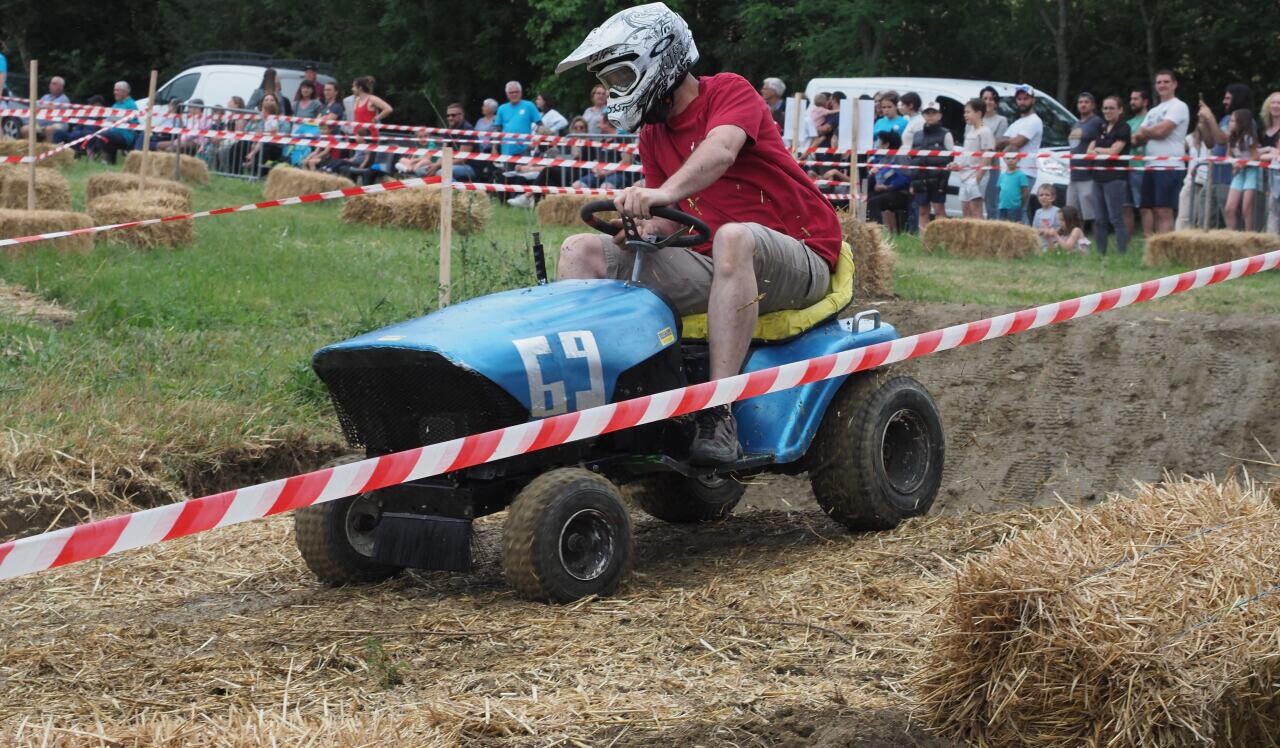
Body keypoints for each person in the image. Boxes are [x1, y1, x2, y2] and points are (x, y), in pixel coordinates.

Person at [555, 2, 841, 464]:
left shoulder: (729, 91)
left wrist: (661, 190)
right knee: (581, 250)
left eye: (621, 80)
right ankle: (592, 409)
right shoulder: (653, 134)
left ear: (658, 60)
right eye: (609, 85)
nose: (614, 93)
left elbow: (721, 150)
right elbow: (670, 220)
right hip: (718, 262)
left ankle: (718, 410)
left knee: (733, 236)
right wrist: (642, 226)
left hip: (802, 252)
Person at [1132, 70, 1189, 235]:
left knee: (1164, 210)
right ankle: (1155, 249)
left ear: (1174, 84)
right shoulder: (1153, 111)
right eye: (1159, 82)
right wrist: (1149, 132)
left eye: (1166, 81)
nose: (1162, 85)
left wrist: (1146, 131)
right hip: (1150, 165)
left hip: (1169, 165)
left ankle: (1166, 250)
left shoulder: (1179, 106)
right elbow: (1138, 139)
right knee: (1151, 209)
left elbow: (1162, 131)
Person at [1196, 83, 1252, 227]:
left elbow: (1222, 139)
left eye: (1228, 98)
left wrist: (1210, 117)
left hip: (1229, 179)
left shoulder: (1245, 120)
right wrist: (1203, 124)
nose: (1224, 102)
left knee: (1230, 221)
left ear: (1237, 98)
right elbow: (1211, 143)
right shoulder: (1225, 119)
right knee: (1204, 221)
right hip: (1214, 178)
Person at [996, 84, 1044, 223]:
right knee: (1007, 209)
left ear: (1033, 100)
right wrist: (1009, 142)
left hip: (1026, 171)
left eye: (1025, 98)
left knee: (1019, 209)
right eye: (1019, 99)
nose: (1022, 102)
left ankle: (1027, 242)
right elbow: (999, 145)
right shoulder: (1017, 122)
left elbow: (1018, 142)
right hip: (1010, 171)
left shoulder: (1035, 120)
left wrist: (1008, 141)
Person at [1089, 96, 1131, 254]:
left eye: (1111, 108)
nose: (1107, 111)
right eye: (1105, 108)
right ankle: (1101, 253)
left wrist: (1099, 150)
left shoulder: (1124, 128)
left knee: (1116, 217)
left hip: (1115, 178)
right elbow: (1089, 151)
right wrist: (1100, 150)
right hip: (1097, 176)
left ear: (1120, 110)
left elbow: (1114, 152)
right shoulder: (1101, 126)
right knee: (1099, 218)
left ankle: (1121, 253)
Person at [911, 100, 954, 231]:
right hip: (921, 179)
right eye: (927, 113)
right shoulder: (917, 135)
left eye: (933, 113)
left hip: (939, 179)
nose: (930, 116)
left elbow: (951, 158)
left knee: (939, 210)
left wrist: (943, 181)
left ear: (939, 115)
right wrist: (913, 182)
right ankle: (924, 241)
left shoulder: (945, 134)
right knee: (923, 211)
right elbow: (913, 159)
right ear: (923, 115)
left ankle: (943, 239)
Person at [951, 98, 993, 218]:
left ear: (979, 113)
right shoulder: (970, 131)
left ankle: (979, 236)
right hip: (965, 175)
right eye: (965, 112)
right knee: (966, 210)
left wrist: (978, 178)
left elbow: (987, 155)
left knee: (976, 210)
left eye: (968, 112)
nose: (965, 115)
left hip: (975, 176)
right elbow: (967, 154)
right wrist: (957, 166)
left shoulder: (985, 131)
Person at [1066, 92, 1102, 226]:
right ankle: (1077, 239)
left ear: (1093, 105)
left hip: (1088, 173)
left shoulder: (1096, 122)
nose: (1083, 105)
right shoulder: (1076, 124)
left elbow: (1099, 143)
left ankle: (1099, 239)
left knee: (1091, 213)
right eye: (1080, 102)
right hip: (1074, 174)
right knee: (1072, 211)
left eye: (1086, 102)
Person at [1222, 108, 1261, 231]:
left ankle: (1249, 234)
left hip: (1251, 172)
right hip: (1239, 173)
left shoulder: (1249, 138)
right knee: (1229, 208)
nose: (1230, 123)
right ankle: (1231, 234)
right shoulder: (1231, 138)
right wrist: (1233, 163)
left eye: (1233, 121)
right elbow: (1228, 155)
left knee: (1246, 209)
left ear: (1241, 122)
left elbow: (1256, 156)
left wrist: (1242, 164)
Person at [866, 130, 912, 232]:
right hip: (884, 192)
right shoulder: (881, 159)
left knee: (873, 203)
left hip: (900, 193)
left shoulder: (901, 158)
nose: (877, 144)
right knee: (865, 198)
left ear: (887, 144)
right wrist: (872, 174)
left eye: (879, 141)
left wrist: (888, 186)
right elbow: (874, 180)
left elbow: (906, 179)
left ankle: (876, 232)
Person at [85, 81, 138, 165]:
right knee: (92, 132)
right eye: (114, 90)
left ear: (125, 92)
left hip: (125, 135)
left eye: (117, 90)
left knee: (104, 135)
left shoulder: (131, 105)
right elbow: (108, 119)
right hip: (112, 132)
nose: (114, 93)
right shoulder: (116, 105)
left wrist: (106, 122)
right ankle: (91, 161)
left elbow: (118, 119)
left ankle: (105, 160)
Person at [1126, 87, 1153, 237]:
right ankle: (1126, 243)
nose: (1132, 102)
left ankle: (1149, 238)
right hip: (1126, 168)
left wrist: (1126, 139)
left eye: (1136, 99)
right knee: (1127, 207)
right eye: (1131, 99)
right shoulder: (1129, 122)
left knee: (1144, 206)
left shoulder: (1150, 118)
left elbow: (1134, 140)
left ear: (1145, 101)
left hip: (1142, 168)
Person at [979, 85, 1010, 219]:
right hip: (974, 165)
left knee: (991, 202)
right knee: (975, 201)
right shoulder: (973, 119)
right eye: (985, 98)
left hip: (992, 167)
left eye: (991, 99)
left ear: (996, 102)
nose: (988, 101)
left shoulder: (1001, 120)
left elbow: (997, 144)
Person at [494, 81, 541, 157]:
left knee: (525, 169)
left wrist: (535, 143)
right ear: (507, 94)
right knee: (508, 169)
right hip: (507, 150)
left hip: (524, 149)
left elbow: (541, 125)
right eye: (511, 92)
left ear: (521, 93)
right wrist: (494, 148)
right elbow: (497, 130)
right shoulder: (501, 108)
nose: (514, 94)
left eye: (516, 92)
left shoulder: (529, 106)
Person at [19, 75, 71, 142]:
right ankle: (30, 149)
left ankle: (47, 150)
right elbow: (36, 107)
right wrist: (45, 107)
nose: (51, 85)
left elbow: (53, 110)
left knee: (49, 129)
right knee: (25, 129)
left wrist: (43, 107)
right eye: (51, 83)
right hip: (40, 124)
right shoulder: (45, 97)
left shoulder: (64, 99)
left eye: (54, 83)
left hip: (58, 124)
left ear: (60, 87)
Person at [1259, 92, 1280, 234]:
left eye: (1279, 103)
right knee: (1269, 212)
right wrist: (1269, 151)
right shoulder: (1263, 131)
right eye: (1273, 102)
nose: (1276, 106)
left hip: (1276, 178)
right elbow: (1254, 154)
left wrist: (1264, 154)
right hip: (1265, 178)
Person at [351, 76, 392, 140]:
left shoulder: (372, 99)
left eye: (353, 86)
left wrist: (376, 118)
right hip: (358, 135)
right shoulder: (357, 100)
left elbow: (388, 109)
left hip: (369, 136)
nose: (352, 89)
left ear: (360, 88)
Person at [997, 155, 1029, 222]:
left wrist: (1020, 204)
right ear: (1004, 159)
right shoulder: (1002, 176)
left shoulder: (1021, 175)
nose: (1010, 160)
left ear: (1018, 159)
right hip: (1002, 207)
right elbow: (999, 190)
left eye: (1013, 158)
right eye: (1008, 158)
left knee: (1014, 227)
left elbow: (1025, 192)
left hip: (1015, 208)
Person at [1032, 184, 1062, 249]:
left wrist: (1052, 232)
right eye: (1041, 195)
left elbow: (1061, 227)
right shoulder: (1038, 212)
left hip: (1054, 240)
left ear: (1053, 197)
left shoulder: (1057, 211)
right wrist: (1038, 231)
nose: (1044, 197)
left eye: (1047, 195)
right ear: (1037, 197)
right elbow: (1034, 228)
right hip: (1041, 240)